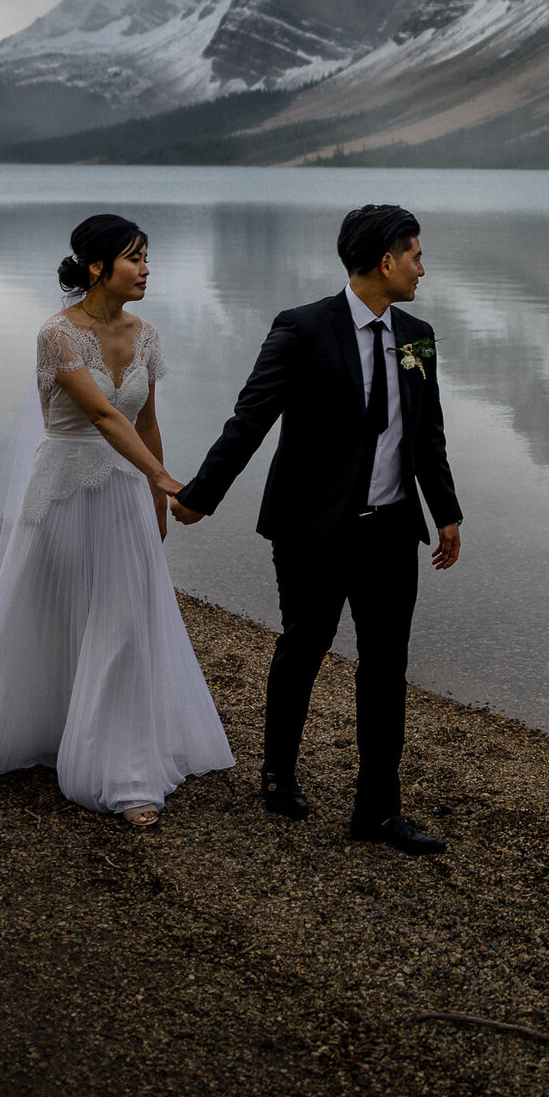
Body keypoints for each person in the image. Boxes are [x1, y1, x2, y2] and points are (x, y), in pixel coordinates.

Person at [169, 203, 463, 855]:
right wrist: (200, 495)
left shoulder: (416, 336)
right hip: (312, 529)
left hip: (391, 532)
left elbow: (427, 433)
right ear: (385, 261)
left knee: (386, 668)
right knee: (304, 644)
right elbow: (250, 419)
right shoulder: (302, 329)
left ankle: (377, 810)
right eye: (415, 253)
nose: (423, 266)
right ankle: (278, 771)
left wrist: (446, 509)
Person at [0, 214, 234, 826]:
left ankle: (123, 777)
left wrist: (157, 498)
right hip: (67, 492)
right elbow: (102, 417)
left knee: (124, 624)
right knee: (54, 616)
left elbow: (144, 420)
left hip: (126, 497)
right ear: (97, 266)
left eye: (148, 257)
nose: (147, 269)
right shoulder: (57, 335)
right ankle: (45, 735)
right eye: (135, 258)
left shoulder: (147, 334)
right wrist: (162, 476)